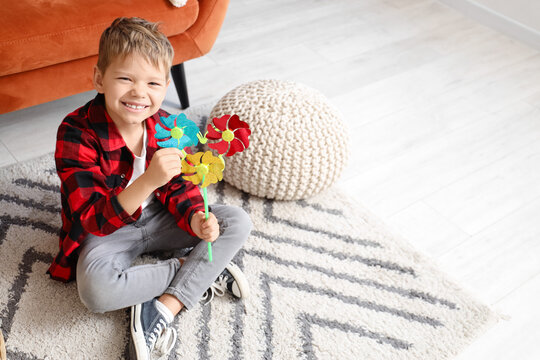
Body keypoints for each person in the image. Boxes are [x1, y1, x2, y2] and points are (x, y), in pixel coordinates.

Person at [47, 17, 252, 360]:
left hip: (159, 216)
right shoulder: (76, 131)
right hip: (109, 230)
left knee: (236, 221)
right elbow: (92, 220)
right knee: (96, 291)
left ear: (166, 86)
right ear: (99, 78)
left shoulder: (166, 127)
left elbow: (180, 190)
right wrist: (149, 181)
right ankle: (199, 270)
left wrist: (195, 221)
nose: (139, 93)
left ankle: (162, 309)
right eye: (125, 78)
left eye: (153, 83)